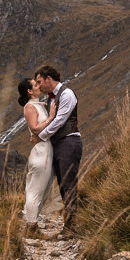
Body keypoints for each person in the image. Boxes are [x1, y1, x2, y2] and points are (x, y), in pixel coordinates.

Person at [32, 65, 81, 235]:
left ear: (48, 79)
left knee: (68, 183)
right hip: (59, 144)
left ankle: (72, 226)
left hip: (69, 142)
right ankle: (69, 224)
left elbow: (59, 121)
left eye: (40, 82)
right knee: (62, 184)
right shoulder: (52, 99)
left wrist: (40, 136)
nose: (38, 87)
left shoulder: (66, 94)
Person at [18, 77, 56, 230]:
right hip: (41, 152)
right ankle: (31, 226)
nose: (39, 86)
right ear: (29, 91)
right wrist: (51, 117)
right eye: (35, 84)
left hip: (47, 150)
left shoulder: (38, 105)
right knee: (36, 189)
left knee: (44, 189)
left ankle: (31, 222)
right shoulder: (29, 107)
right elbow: (34, 128)